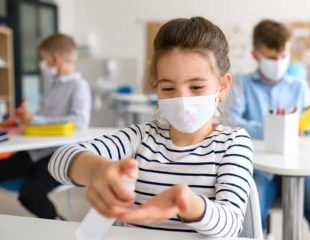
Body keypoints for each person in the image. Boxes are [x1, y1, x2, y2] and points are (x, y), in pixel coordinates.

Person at [48, 17, 253, 237]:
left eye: (196, 87)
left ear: (222, 86)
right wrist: (97, 170)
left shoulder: (233, 144)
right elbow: (59, 159)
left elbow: (231, 224)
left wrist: (187, 203)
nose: (182, 99)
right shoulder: (142, 137)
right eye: (168, 88)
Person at [225, 19, 310, 239]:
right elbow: (231, 124)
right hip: (259, 168)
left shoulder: (298, 86)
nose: (278, 62)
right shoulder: (241, 84)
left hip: (297, 167)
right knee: (248, 222)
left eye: (283, 57)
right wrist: (278, 129)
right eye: (271, 58)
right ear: (255, 55)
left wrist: (309, 121)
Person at [0, 33, 91, 220]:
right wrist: (21, 120)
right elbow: (42, 118)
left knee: (30, 194)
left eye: (43, 59)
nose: (42, 64)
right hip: (36, 150)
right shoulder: (53, 86)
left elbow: (78, 122)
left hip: (60, 153)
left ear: (55, 58)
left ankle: (58, 224)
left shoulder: (79, 86)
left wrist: (35, 119)